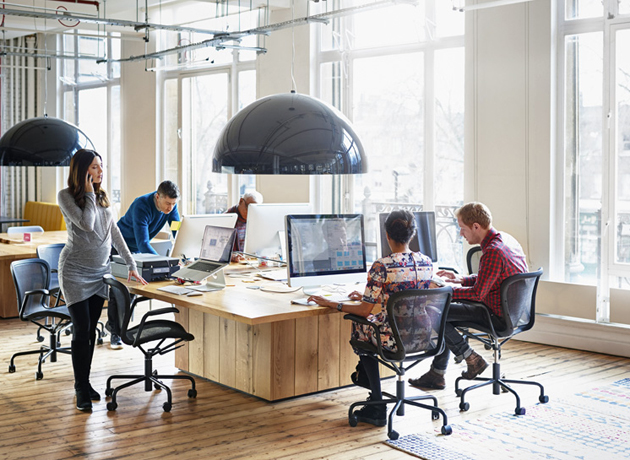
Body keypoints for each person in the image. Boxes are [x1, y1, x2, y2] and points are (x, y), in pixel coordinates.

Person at [307, 210, 434, 427]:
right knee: (372, 324)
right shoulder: (426, 262)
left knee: (360, 327)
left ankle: (376, 403)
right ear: (412, 235)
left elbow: (365, 311)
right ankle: (366, 380)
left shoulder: (382, 266)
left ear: (387, 235)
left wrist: (331, 304)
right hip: (422, 334)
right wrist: (367, 296)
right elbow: (402, 296)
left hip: (392, 338)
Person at [57, 149, 148, 411]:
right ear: (82, 171)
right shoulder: (66, 197)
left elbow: (115, 234)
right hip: (74, 272)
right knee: (82, 329)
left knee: (91, 330)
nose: (100, 172)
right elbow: (86, 223)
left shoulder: (103, 198)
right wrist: (87, 193)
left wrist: (131, 264)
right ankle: (79, 388)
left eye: (101, 167)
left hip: (99, 273)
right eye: (95, 167)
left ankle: (85, 382)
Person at [408, 202, 528, 390]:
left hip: (495, 316)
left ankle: (471, 359)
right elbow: (491, 279)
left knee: (435, 311)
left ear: (476, 227)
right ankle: (437, 374)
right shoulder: (505, 240)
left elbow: (478, 294)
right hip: (513, 313)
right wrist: (460, 279)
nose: (461, 234)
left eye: (462, 229)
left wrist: (444, 291)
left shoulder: (493, 252)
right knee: (444, 313)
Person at [107, 180, 181, 349]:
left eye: (174, 204)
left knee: (131, 292)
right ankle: (115, 332)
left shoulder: (171, 207)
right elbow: (143, 244)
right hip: (120, 246)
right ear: (157, 197)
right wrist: (164, 263)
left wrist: (183, 251)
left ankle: (121, 328)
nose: (170, 208)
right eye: (167, 203)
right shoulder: (142, 205)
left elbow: (176, 230)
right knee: (119, 290)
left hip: (138, 250)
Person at [225, 191, 263, 262]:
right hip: (233, 263)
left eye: (254, 209)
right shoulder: (226, 219)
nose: (250, 212)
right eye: (248, 207)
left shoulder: (256, 220)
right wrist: (232, 256)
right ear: (241, 201)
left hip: (250, 261)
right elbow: (216, 250)